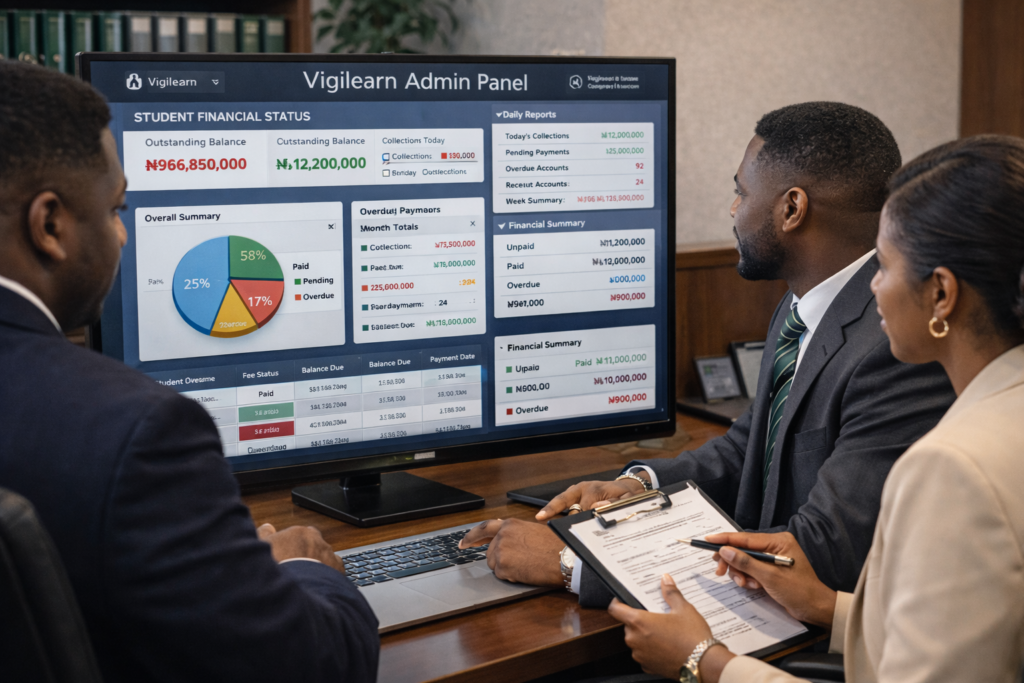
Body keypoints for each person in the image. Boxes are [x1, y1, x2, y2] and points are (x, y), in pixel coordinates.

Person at [460, 102, 955, 600]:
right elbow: (754, 445)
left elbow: (819, 551)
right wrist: (640, 485)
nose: (734, 209)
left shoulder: (897, 346)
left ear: (792, 209)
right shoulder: (806, 300)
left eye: (741, 191)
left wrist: (573, 564)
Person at [0, 62, 378, 682]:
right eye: (116, 209)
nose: (123, 236)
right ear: (50, 225)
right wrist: (304, 571)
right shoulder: (136, 430)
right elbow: (313, 669)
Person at [609, 134, 1024, 683]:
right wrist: (828, 608)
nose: (873, 285)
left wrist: (705, 664)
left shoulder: (952, 468)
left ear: (942, 295)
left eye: (887, 265)